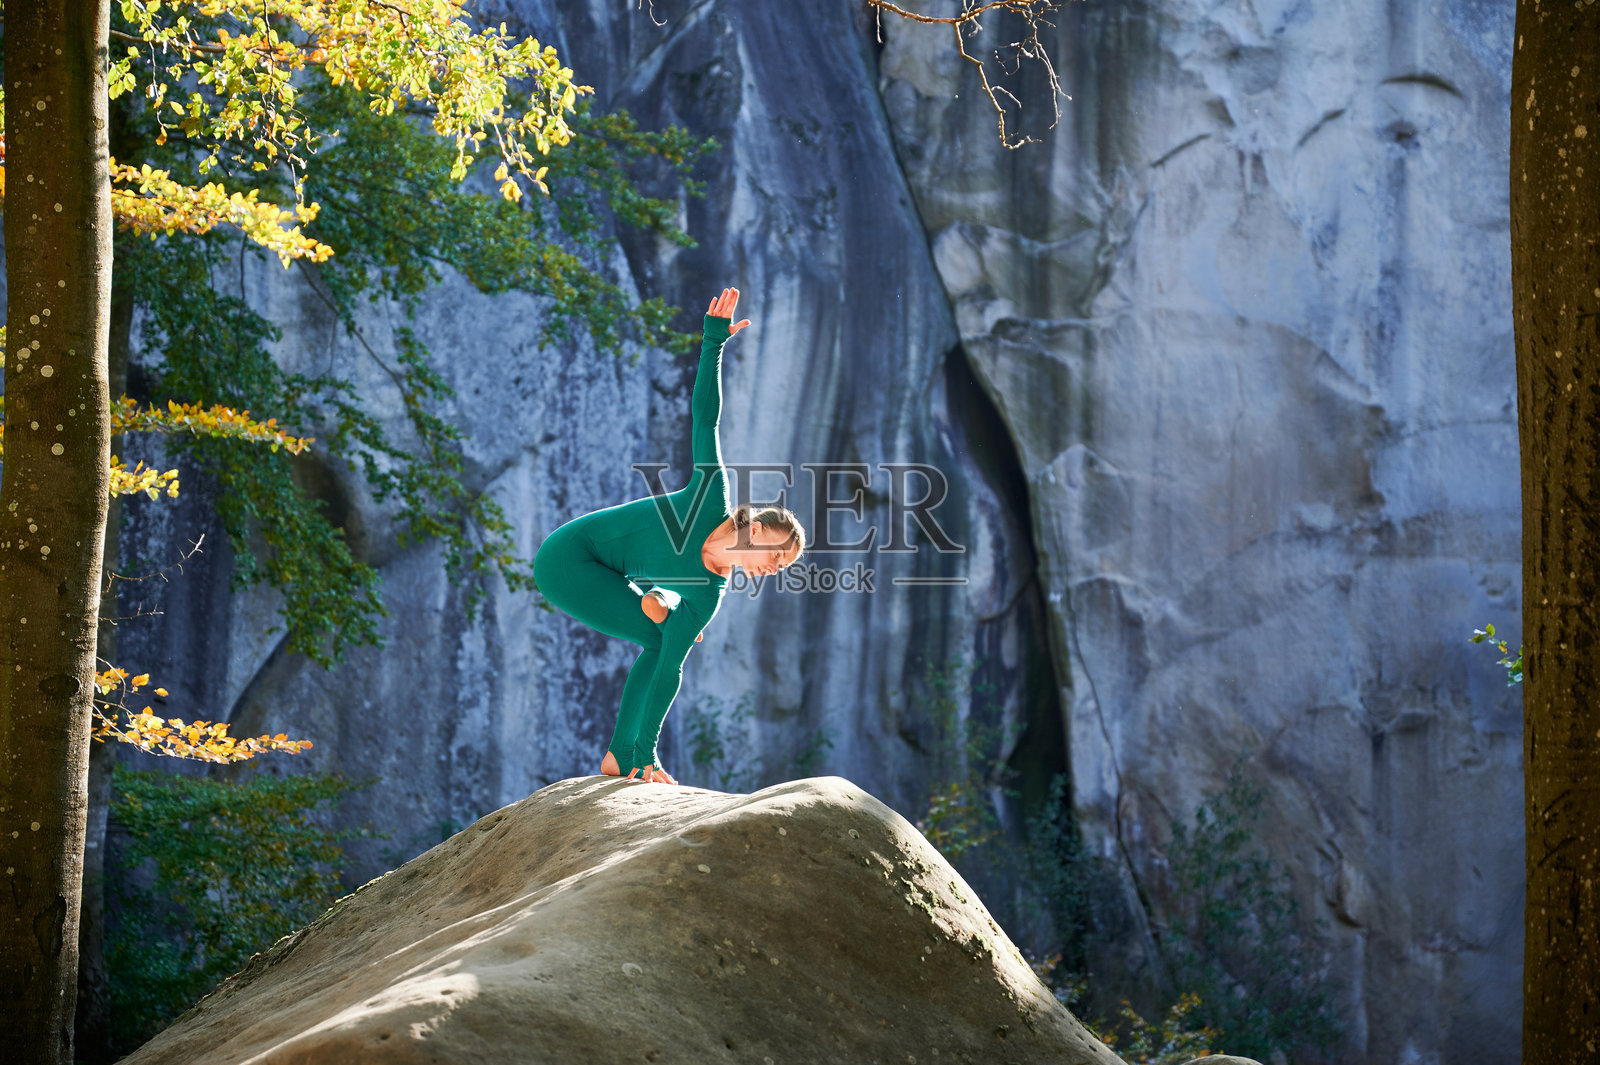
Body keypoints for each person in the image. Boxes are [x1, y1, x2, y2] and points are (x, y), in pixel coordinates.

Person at [533, 287, 807, 786]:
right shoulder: (709, 497)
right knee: (658, 633)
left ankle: (626, 751)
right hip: (567, 558)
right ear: (759, 527)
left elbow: (671, 676)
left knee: (664, 640)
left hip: (611, 573)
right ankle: (628, 754)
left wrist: (647, 754)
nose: (774, 569)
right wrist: (713, 341)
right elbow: (707, 420)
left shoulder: (711, 594)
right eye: (777, 554)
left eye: (782, 568)